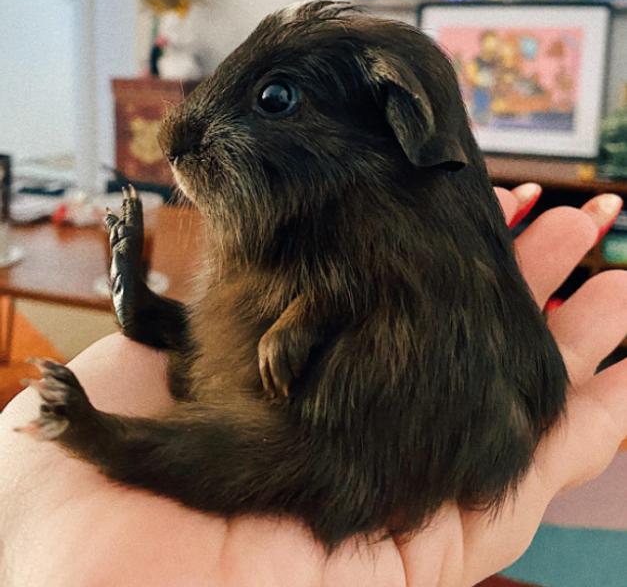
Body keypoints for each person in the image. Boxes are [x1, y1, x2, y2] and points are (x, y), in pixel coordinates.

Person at [1, 185, 626, 587]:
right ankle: (144, 320)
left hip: (356, 433)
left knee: (263, 451)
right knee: (224, 338)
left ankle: (105, 436)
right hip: (313, 386)